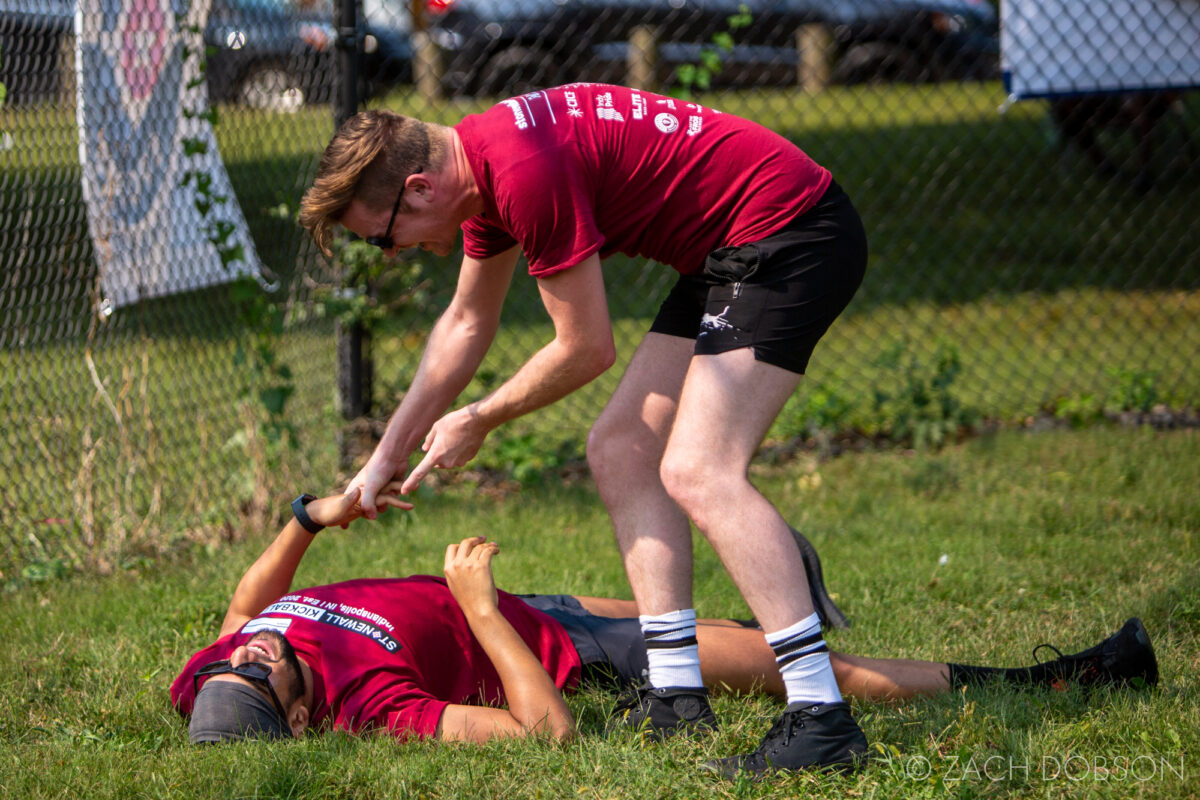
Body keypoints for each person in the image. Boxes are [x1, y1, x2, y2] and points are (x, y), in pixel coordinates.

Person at [292, 83, 1033, 774]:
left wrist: (482, 417)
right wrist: (382, 458)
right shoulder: (482, 164)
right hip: (730, 248)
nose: (390, 253)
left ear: (419, 189)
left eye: (380, 236)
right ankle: (677, 697)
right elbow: (465, 321)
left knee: (699, 469)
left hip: (792, 233)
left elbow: (585, 348)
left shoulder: (522, 172)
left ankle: (821, 718)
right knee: (620, 447)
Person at [172, 490, 1159, 764]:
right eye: (263, 677)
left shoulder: (221, 665)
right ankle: (1071, 680)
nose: (254, 652)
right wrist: (477, 609)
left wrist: (305, 522)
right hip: (558, 644)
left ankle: (785, 592)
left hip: (537, 607)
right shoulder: (371, 705)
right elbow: (542, 735)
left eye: (242, 664)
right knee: (811, 668)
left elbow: (238, 609)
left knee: (725, 615)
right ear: (300, 717)